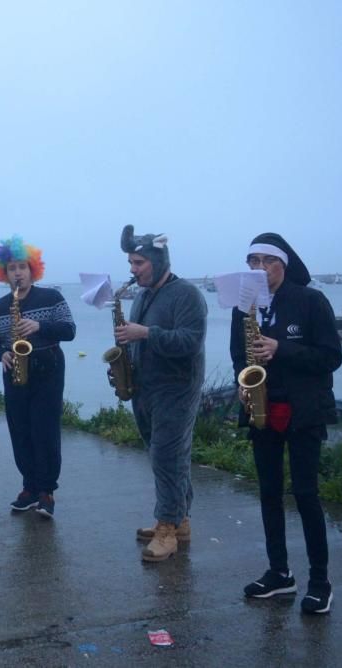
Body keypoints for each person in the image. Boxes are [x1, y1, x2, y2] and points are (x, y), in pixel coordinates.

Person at [232, 233, 342, 614]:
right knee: (268, 492)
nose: (258, 269)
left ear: (285, 264)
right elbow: (237, 354)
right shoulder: (243, 304)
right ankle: (280, 573)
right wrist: (240, 383)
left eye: (266, 261)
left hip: (303, 410)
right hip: (262, 407)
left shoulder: (311, 300)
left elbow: (331, 356)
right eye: (252, 262)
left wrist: (282, 348)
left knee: (307, 495)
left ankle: (320, 582)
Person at [113, 225, 206, 562]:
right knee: (163, 456)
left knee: (168, 456)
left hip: (177, 388)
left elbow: (190, 342)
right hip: (145, 387)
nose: (133, 270)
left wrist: (146, 333)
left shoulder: (187, 295)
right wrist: (123, 367)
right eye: (131, 263)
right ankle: (179, 519)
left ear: (158, 260)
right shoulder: (141, 296)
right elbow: (135, 340)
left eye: (138, 263)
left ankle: (167, 529)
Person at [0, 236, 76, 518]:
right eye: (12, 268)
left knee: (45, 431)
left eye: (23, 267)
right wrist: (2, 354)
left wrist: (40, 325)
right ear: (4, 273)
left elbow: (70, 330)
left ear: (33, 269)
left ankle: (47, 491)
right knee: (20, 431)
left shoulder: (51, 297)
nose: (18, 273)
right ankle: (29, 487)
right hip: (15, 372)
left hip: (48, 368)